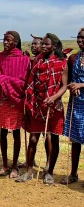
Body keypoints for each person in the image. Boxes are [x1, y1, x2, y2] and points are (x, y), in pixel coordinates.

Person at [16, 33, 68, 184]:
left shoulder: (61, 62)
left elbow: (64, 86)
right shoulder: (37, 61)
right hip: (38, 105)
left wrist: (54, 97)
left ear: (55, 46)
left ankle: (49, 172)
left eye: (46, 44)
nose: (43, 46)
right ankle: (29, 171)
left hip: (54, 106)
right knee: (33, 138)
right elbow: (31, 82)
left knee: (52, 139)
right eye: (42, 44)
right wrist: (30, 98)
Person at [0, 31, 30, 179]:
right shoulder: (0, 57)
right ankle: (4, 165)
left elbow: (24, 80)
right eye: (4, 40)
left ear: (16, 42)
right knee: (2, 132)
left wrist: (7, 82)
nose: (5, 42)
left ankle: (15, 166)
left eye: (9, 40)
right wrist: (1, 79)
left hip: (16, 99)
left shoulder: (23, 58)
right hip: (4, 99)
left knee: (15, 133)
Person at [19, 34, 51, 169]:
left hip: (45, 101)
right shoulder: (30, 60)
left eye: (36, 44)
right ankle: (29, 161)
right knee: (32, 132)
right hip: (31, 100)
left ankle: (49, 163)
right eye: (32, 44)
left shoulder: (46, 61)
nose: (33, 46)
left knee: (46, 133)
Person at [60, 28, 84, 185]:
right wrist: (71, 86)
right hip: (77, 103)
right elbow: (67, 79)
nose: (80, 40)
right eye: (79, 37)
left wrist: (81, 84)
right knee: (75, 140)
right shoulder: (74, 58)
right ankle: (73, 173)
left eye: (83, 38)